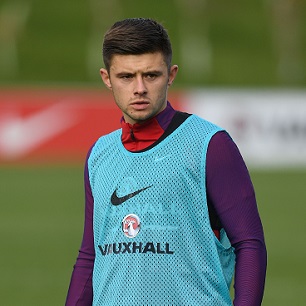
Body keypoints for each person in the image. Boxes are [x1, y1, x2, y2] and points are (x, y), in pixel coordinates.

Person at [66, 18, 267, 306]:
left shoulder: (210, 144)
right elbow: (90, 255)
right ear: (106, 78)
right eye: (126, 77)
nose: (139, 88)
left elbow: (249, 244)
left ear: (170, 75)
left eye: (151, 75)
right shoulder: (100, 154)